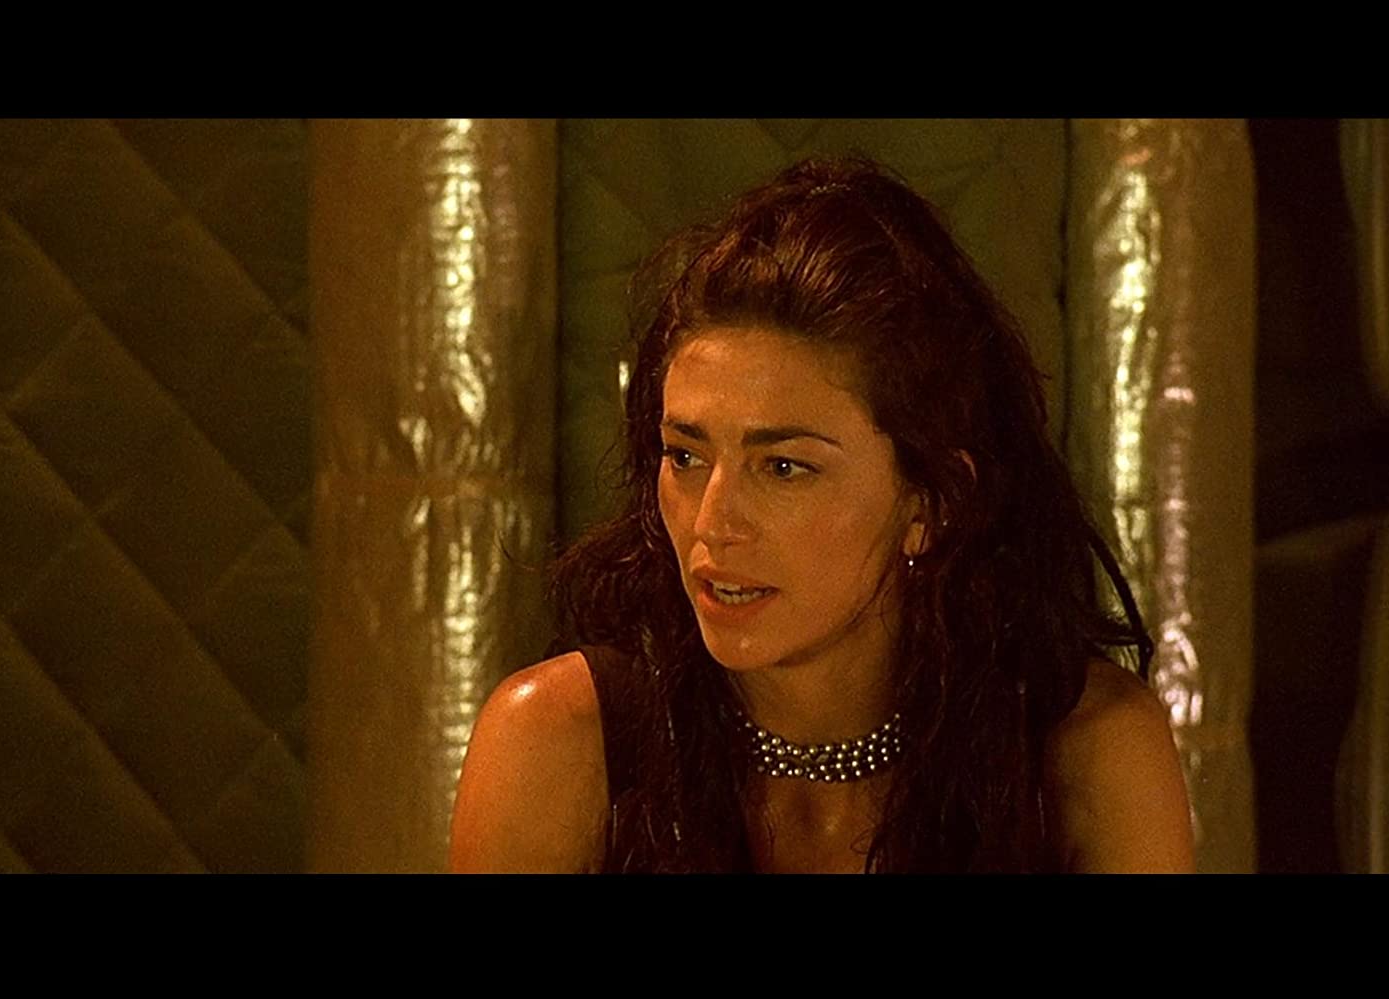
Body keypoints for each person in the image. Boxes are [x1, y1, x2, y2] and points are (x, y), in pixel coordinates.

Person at [448, 156, 1195, 873]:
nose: (712, 523)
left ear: (933, 501)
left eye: (783, 467)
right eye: (685, 456)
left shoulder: (1085, 751)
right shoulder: (556, 742)